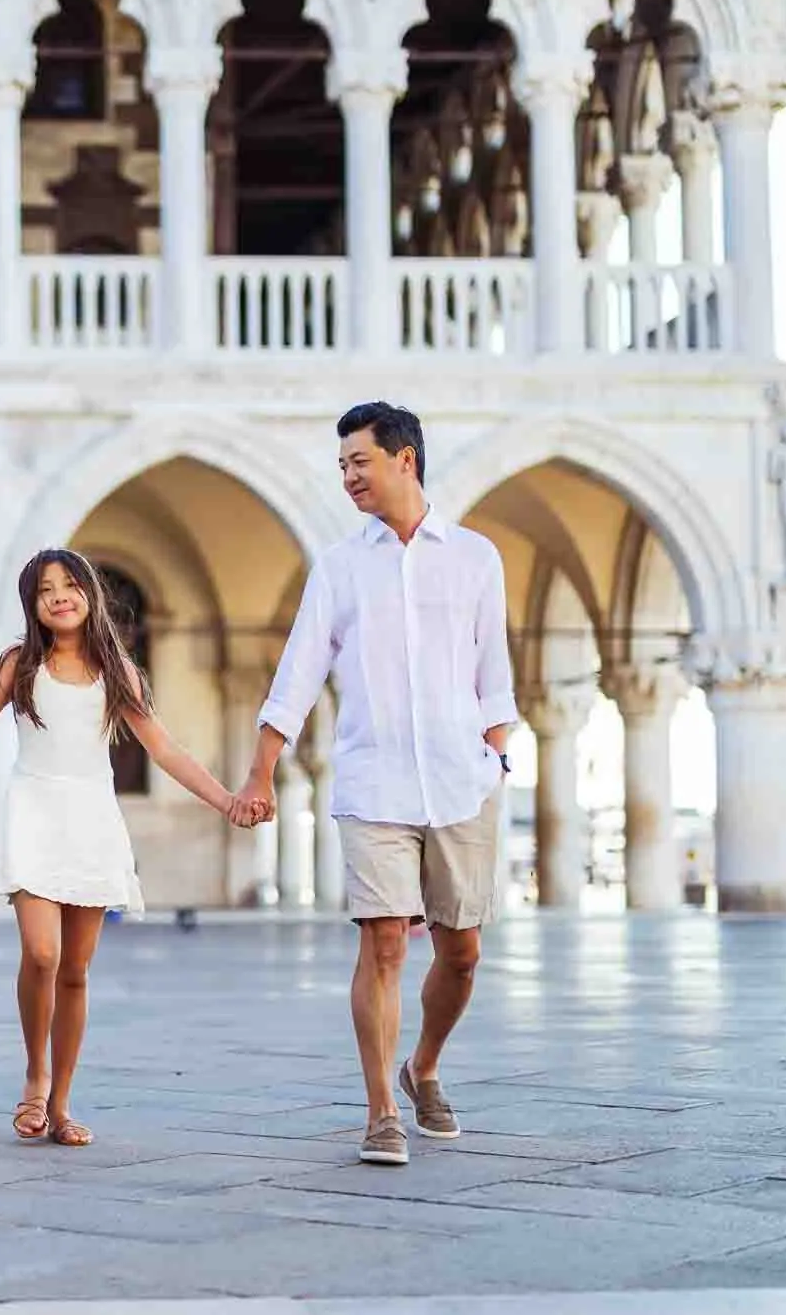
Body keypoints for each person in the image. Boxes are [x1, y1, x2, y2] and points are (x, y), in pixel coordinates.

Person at [0, 549, 258, 1147]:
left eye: (69, 585)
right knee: (42, 954)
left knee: (77, 971)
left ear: (90, 593)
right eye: (44, 590)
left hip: (92, 818)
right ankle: (35, 1075)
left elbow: (165, 750)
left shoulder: (121, 673)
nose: (59, 596)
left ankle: (60, 1104)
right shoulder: (19, 665)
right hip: (34, 810)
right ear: (32, 606)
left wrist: (227, 800)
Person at [230, 402, 516, 1167]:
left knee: (462, 954)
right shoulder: (339, 566)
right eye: (343, 465)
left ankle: (420, 1066)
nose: (349, 476)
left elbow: (497, 675)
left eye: (359, 461)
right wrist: (261, 768)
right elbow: (297, 674)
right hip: (372, 781)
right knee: (385, 941)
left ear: (405, 460)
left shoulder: (476, 558)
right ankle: (381, 1109)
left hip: (462, 780)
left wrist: (495, 754)